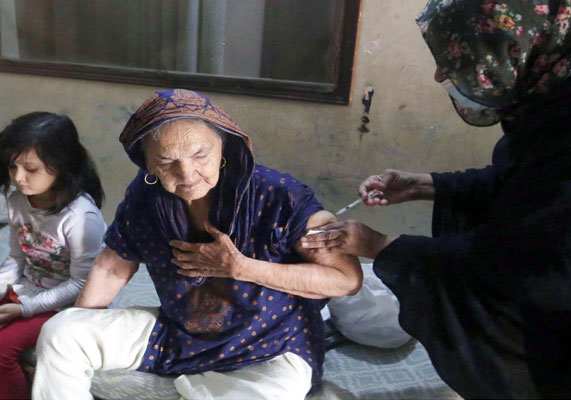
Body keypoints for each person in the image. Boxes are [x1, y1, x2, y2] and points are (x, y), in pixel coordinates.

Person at [302, 0, 571, 398]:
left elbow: (528, 267)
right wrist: (432, 185)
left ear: (520, 46)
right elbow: (541, 185)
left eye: (458, 61)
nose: (442, 74)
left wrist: (382, 247)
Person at [32, 89, 361, 400]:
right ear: (146, 163)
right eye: (166, 161)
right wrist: (87, 322)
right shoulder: (146, 196)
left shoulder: (279, 195)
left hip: (270, 345)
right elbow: (113, 264)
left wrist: (240, 267)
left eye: (199, 154)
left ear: (223, 147)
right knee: (63, 331)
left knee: (275, 391)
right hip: (179, 334)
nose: (187, 173)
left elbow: (345, 278)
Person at [0, 112, 106, 399]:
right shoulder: (17, 201)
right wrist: (2, 284)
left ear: (60, 167)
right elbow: (17, 259)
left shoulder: (81, 217)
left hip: (68, 307)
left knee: (1, 349)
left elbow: (81, 286)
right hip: (29, 291)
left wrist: (26, 308)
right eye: (13, 167)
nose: (19, 178)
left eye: (30, 169)